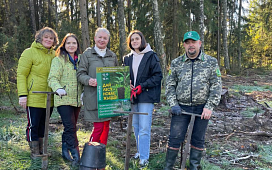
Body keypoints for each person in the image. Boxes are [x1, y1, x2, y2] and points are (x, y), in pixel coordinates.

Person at [164, 31, 222, 170]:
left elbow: (216, 86)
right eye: (188, 42)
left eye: (193, 42)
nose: (191, 45)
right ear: (184, 45)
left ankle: (194, 166)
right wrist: (173, 104)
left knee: (198, 139)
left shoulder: (210, 62)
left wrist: (209, 106)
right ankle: (168, 167)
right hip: (181, 109)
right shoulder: (176, 63)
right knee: (174, 138)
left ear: (199, 44)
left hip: (202, 108)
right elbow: (169, 85)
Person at [17, 27, 59, 159]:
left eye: (51, 38)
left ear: (54, 41)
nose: (48, 40)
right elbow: (21, 74)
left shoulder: (54, 55)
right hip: (34, 96)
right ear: (40, 38)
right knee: (33, 124)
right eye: (45, 37)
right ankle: (34, 152)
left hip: (49, 97)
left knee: (44, 125)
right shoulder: (29, 53)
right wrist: (23, 95)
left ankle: (41, 149)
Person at [123, 30, 163, 168]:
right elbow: (123, 75)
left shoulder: (151, 55)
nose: (135, 41)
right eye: (132, 39)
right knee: (135, 125)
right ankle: (140, 152)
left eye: (137, 39)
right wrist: (126, 83)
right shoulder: (127, 58)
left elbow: (158, 76)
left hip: (146, 96)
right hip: (132, 96)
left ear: (142, 40)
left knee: (145, 127)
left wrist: (143, 86)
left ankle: (144, 158)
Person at [77, 27, 118, 146]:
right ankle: (90, 155)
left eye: (105, 38)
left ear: (108, 40)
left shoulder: (112, 56)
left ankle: (101, 152)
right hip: (93, 96)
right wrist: (89, 80)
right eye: (99, 37)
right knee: (99, 127)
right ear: (95, 38)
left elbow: (117, 74)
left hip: (108, 97)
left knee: (106, 127)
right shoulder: (87, 55)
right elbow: (80, 74)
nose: (102, 40)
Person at [48, 33, 82, 165]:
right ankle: (76, 156)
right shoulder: (58, 60)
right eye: (68, 43)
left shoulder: (81, 59)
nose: (71, 45)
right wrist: (58, 88)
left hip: (78, 99)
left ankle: (64, 149)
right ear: (64, 45)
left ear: (77, 45)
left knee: (71, 126)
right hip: (64, 98)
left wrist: (84, 93)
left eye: (74, 43)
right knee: (70, 127)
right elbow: (52, 78)